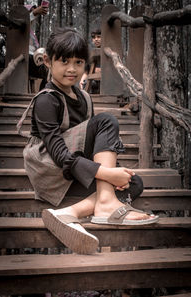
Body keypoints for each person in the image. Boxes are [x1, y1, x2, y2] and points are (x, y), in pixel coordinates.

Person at [18, 27, 159, 255]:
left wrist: (111, 176)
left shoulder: (83, 97)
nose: (72, 69)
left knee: (134, 183)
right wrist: (106, 173)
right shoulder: (46, 100)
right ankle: (104, 204)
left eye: (78, 62)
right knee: (105, 122)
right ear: (47, 61)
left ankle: (68, 213)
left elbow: (91, 145)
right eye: (64, 61)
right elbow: (60, 155)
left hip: (74, 169)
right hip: (50, 170)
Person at [25, 4, 48, 90]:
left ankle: (43, 93)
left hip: (33, 60)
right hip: (25, 61)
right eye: (30, 12)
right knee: (47, 69)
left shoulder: (31, 33)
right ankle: (43, 94)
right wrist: (34, 13)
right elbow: (24, 21)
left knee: (50, 69)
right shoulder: (20, 28)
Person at [79, 28, 101, 93]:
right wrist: (82, 81)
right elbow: (86, 71)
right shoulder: (91, 54)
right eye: (94, 38)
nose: (96, 39)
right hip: (93, 84)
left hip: (106, 84)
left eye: (98, 37)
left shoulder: (110, 52)